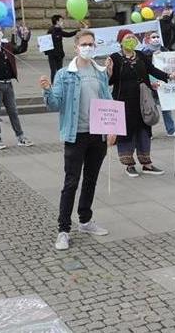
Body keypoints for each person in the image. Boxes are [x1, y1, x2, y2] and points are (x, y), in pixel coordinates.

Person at [40, 30, 112, 250]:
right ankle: (63, 229)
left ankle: (85, 220)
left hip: (97, 134)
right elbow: (55, 104)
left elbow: (107, 101)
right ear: (76, 47)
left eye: (91, 44)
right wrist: (47, 90)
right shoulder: (64, 74)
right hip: (75, 135)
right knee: (71, 182)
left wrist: (112, 129)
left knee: (91, 180)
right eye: (84, 44)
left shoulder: (100, 73)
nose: (88, 47)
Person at [107, 29, 175, 177]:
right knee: (126, 132)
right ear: (120, 41)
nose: (131, 40)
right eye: (128, 38)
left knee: (144, 131)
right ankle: (129, 165)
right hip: (123, 101)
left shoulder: (140, 55)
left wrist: (169, 76)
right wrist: (109, 71)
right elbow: (110, 81)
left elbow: (152, 70)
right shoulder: (114, 58)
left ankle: (147, 164)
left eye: (133, 37)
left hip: (142, 100)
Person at [0, 23, 34, 150]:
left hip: (8, 83)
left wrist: (25, 38)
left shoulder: (6, 45)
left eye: (0, 29)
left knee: (13, 111)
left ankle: (20, 137)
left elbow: (20, 49)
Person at [141, 31, 175, 138]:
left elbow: (170, 65)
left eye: (157, 36)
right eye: (153, 37)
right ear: (148, 39)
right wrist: (150, 82)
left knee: (166, 108)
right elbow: (145, 70)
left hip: (163, 84)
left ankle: (171, 130)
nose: (156, 38)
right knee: (148, 109)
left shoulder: (164, 50)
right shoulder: (144, 53)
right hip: (151, 85)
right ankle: (148, 133)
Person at [46, 14, 79, 83]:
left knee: (60, 70)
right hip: (52, 55)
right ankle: (53, 85)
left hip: (59, 54)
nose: (62, 22)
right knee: (53, 71)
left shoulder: (60, 31)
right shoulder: (51, 31)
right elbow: (45, 42)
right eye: (61, 21)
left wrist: (78, 31)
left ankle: (60, 84)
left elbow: (68, 34)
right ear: (57, 21)